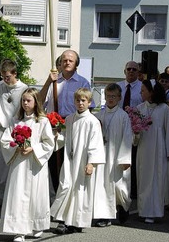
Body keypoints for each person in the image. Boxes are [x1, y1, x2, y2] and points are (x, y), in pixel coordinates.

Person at [0, 88, 55, 242]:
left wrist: (34, 148)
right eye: (23, 100)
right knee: (18, 195)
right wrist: (16, 146)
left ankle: (37, 224)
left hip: (35, 164)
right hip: (19, 163)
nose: (25, 103)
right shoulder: (15, 121)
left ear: (36, 102)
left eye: (28, 100)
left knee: (37, 195)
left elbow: (49, 143)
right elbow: (5, 140)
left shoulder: (42, 121)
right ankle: (19, 231)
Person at [51, 88, 105, 234]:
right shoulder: (69, 119)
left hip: (83, 161)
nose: (80, 103)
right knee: (65, 186)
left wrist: (91, 163)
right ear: (74, 101)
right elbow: (64, 138)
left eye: (83, 101)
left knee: (80, 191)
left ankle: (77, 221)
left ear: (89, 102)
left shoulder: (93, 122)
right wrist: (56, 136)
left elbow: (96, 143)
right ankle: (63, 220)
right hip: (70, 160)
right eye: (78, 100)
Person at [39, 50, 92, 192]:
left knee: (69, 162)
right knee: (53, 164)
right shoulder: (53, 81)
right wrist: (48, 81)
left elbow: (88, 108)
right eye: (64, 60)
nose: (67, 62)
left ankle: (69, 195)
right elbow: (39, 101)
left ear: (76, 64)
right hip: (53, 127)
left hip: (73, 126)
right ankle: (56, 194)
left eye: (71, 60)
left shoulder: (82, 82)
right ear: (60, 63)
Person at [0, 59, 28, 208]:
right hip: (0, 129)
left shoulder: (24, 89)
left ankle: (12, 197)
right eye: (2, 76)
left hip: (16, 132)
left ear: (15, 73)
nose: (4, 79)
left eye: (7, 76)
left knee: (13, 167)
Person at [135, 80, 169, 224]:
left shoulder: (164, 109)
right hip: (144, 149)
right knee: (144, 179)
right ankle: (143, 210)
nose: (141, 93)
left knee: (157, 180)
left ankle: (154, 212)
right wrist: (135, 133)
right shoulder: (139, 108)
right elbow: (134, 133)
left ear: (152, 92)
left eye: (143, 90)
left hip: (159, 150)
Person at [93, 83, 132, 227]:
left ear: (119, 98)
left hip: (117, 157)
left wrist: (125, 158)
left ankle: (123, 206)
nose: (110, 99)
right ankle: (105, 216)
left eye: (113, 96)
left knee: (119, 186)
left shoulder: (123, 116)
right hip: (102, 156)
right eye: (108, 96)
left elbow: (127, 138)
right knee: (102, 185)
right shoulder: (98, 115)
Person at [116, 61, 143, 200]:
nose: (131, 71)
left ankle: (133, 189)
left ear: (138, 72)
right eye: (129, 69)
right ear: (124, 71)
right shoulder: (118, 87)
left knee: (134, 158)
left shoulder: (142, 87)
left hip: (136, 128)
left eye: (134, 69)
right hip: (119, 127)